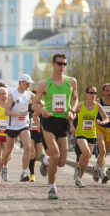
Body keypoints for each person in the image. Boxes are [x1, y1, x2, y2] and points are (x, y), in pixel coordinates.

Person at [32, 53, 78, 199]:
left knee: (62, 162)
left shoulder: (71, 82)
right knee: (56, 154)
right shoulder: (44, 84)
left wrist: (72, 111)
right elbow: (34, 104)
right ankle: (52, 188)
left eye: (64, 64)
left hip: (63, 122)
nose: (62, 66)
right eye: (59, 63)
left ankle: (45, 160)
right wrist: (42, 110)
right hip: (49, 121)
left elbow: (76, 99)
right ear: (53, 64)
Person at [1, 74, 37, 183]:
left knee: (27, 147)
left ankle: (23, 172)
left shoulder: (29, 94)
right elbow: (6, 111)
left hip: (24, 125)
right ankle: (4, 167)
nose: (29, 85)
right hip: (12, 126)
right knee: (9, 149)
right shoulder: (12, 95)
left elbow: (39, 101)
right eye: (27, 83)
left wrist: (44, 103)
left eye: (30, 84)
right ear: (21, 82)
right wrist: (18, 114)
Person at [72, 86, 109, 187]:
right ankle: (78, 169)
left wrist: (101, 122)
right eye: (91, 92)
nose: (93, 95)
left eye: (95, 93)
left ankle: (79, 179)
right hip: (81, 133)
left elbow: (107, 118)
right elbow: (71, 114)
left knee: (87, 158)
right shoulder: (80, 105)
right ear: (86, 94)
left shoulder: (97, 106)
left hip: (92, 134)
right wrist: (71, 125)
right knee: (87, 152)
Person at [94, 83, 110, 183]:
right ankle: (103, 173)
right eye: (107, 91)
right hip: (99, 127)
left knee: (104, 153)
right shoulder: (97, 102)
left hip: (109, 129)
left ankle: (95, 168)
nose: (109, 93)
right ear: (103, 91)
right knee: (102, 150)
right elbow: (87, 109)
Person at [28, 90, 44, 182]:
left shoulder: (42, 107)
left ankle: (35, 162)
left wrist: (41, 126)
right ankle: (32, 174)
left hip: (39, 133)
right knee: (32, 153)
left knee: (38, 157)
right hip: (30, 132)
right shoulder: (28, 107)